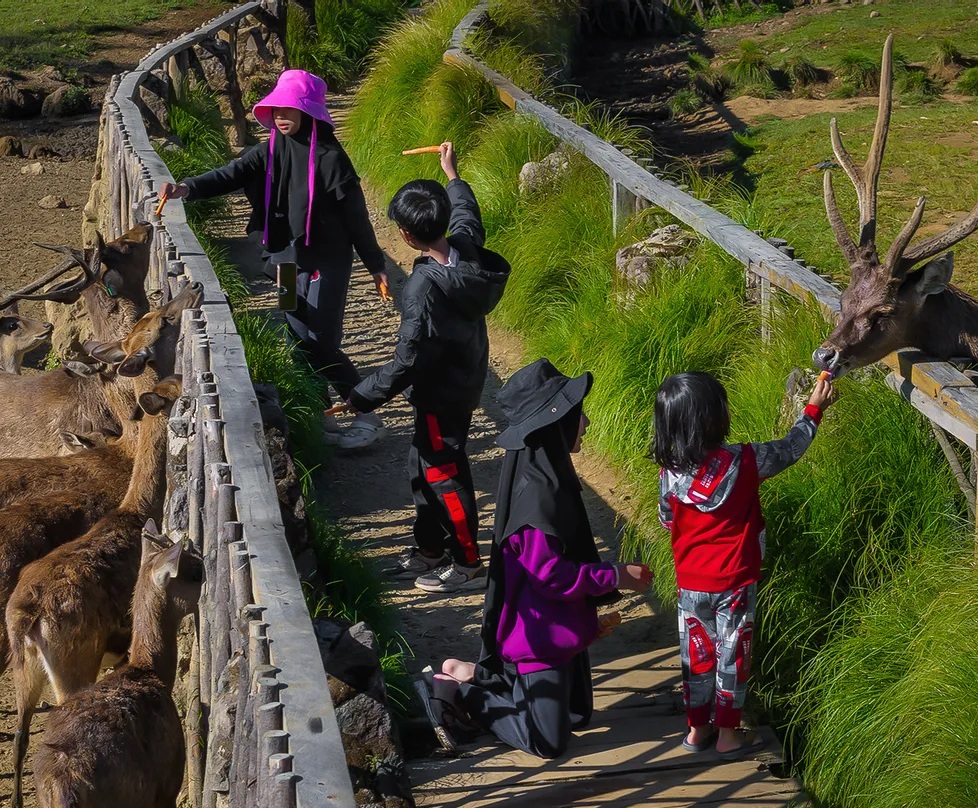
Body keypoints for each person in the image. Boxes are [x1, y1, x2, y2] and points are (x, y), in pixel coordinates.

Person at [426, 359, 653, 759]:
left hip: (558, 632)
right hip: (536, 641)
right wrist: (616, 575)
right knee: (547, 742)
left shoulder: (548, 474)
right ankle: (459, 691)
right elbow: (551, 576)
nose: (585, 423)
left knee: (577, 716)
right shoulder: (536, 496)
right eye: (577, 415)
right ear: (554, 423)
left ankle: (478, 675)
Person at [158, 69, 387, 451]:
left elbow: (357, 218)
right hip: (284, 261)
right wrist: (186, 188)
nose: (280, 116)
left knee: (323, 342)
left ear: (308, 112)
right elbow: (232, 173)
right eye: (276, 109)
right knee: (297, 338)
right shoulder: (272, 149)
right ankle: (322, 414)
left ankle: (368, 414)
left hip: (327, 262)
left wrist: (376, 264)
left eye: (288, 109)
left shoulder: (332, 159)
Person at [343, 141, 510, 593]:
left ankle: (467, 563)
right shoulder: (466, 249)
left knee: (443, 474)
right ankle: (430, 548)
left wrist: (360, 397)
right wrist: (452, 175)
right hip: (465, 376)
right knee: (422, 465)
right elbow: (467, 213)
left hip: (440, 394)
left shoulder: (422, 289)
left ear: (405, 235)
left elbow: (408, 360)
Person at [653, 370, 835, 759]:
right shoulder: (746, 460)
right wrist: (813, 410)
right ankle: (728, 735)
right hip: (735, 579)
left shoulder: (669, 472)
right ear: (715, 418)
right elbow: (790, 448)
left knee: (697, 652)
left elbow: (667, 518)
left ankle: (697, 730)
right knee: (733, 653)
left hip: (691, 581)